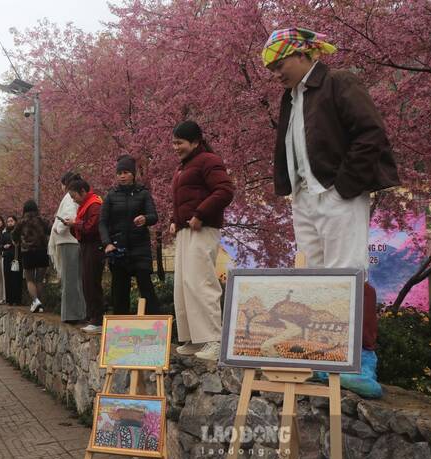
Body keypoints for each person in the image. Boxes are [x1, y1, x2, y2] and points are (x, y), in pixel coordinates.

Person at [263, 28, 399, 397]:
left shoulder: (338, 81)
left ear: (305, 55)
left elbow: (370, 133)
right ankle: (324, 356)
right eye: (271, 66)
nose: (276, 72)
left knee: (349, 273)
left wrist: (344, 185)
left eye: (281, 62)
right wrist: (294, 189)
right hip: (304, 197)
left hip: (338, 192)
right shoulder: (290, 98)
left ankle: (361, 358)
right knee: (313, 277)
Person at [169, 121, 235, 361]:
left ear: (195, 142)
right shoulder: (182, 168)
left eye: (180, 143)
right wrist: (174, 219)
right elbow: (182, 199)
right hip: (185, 231)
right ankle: (194, 338)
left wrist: (200, 214)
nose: (175, 147)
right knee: (183, 285)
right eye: (174, 142)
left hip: (202, 228)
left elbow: (225, 190)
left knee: (201, 282)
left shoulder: (208, 160)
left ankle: (214, 338)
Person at [99, 155, 160, 315]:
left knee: (146, 289)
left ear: (133, 174)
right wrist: (107, 243)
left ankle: (154, 328)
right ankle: (119, 331)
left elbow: (154, 216)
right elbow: (103, 222)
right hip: (118, 249)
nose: (122, 176)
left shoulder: (143, 193)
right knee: (119, 292)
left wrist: (145, 219)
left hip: (140, 248)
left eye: (126, 172)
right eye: (119, 173)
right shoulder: (111, 195)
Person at [64, 178, 104, 334]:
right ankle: (92, 317)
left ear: (83, 192)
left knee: (92, 282)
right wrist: (73, 226)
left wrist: (75, 224)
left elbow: (91, 227)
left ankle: (97, 319)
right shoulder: (84, 206)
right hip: (87, 246)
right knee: (87, 282)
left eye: (74, 196)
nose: (74, 200)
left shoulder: (94, 204)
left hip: (94, 247)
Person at [48, 172, 86, 323]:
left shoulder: (69, 198)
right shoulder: (76, 195)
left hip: (68, 241)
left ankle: (72, 314)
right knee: (75, 279)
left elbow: (69, 216)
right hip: (72, 241)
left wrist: (58, 229)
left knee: (70, 279)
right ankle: (79, 312)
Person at [13, 201, 51, 313]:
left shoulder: (21, 222)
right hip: (42, 251)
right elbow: (50, 230)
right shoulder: (42, 220)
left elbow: (14, 235)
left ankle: (35, 301)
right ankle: (40, 304)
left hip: (27, 252)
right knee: (39, 279)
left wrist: (18, 241)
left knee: (29, 279)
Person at [1, 216, 23, 306]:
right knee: (8, 278)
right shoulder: (5, 234)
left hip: (17, 257)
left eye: (11, 221)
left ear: (15, 222)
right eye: (8, 221)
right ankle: (9, 299)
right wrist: (4, 246)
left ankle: (17, 299)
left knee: (17, 278)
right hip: (7, 257)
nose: (10, 223)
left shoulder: (19, 233)